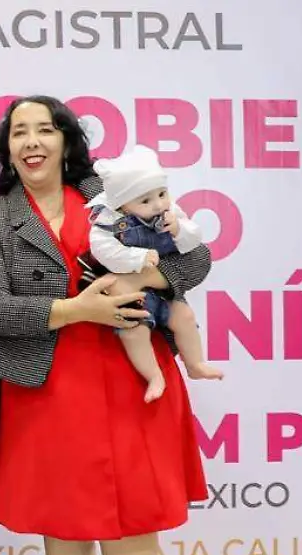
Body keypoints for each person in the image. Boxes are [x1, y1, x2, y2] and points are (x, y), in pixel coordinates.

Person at [0, 95, 212, 555]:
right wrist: (81, 309)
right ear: (7, 148)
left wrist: (137, 282)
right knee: (65, 515)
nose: (32, 142)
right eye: (19, 132)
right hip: (49, 382)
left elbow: (195, 260)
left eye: (44, 130)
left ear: (66, 140)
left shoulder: (112, 194)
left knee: (137, 513)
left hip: (135, 373)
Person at [85, 144, 224, 401]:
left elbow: (195, 243)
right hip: (131, 296)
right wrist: (136, 258)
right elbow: (103, 251)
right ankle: (153, 375)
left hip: (163, 289)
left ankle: (195, 364)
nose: (158, 204)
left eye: (162, 194)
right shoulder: (108, 221)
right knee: (134, 332)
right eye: (146, 201)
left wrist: (179, 230)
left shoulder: (171, 212)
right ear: (123, 205)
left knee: (184, 316)